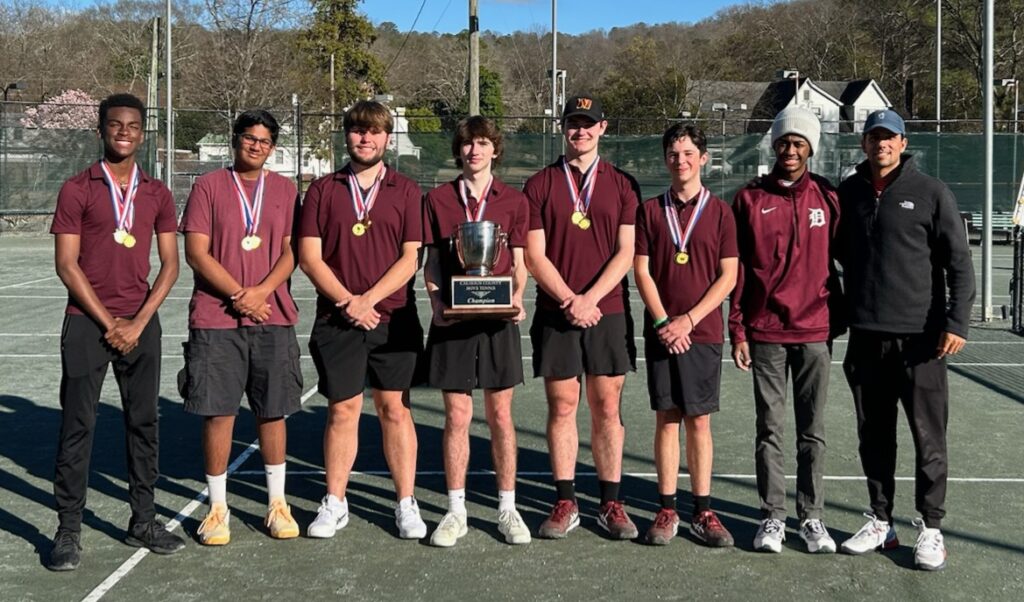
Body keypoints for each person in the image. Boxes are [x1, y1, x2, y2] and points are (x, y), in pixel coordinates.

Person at [48, 93, 184, 570]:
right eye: (115, 125)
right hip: (88, 324)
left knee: (143, 423)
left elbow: (171, 265)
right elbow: (66, 266)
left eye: (132, 125)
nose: (124, 132)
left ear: (142, 133)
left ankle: (142, 520)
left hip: (141, 325)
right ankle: (68, 530)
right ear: (101, 130)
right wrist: (112, 325)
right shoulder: (76, 188)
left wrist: (139, 322)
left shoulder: (158, 193)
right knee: (77, 427)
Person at [837, 109, 974, 571]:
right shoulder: (850, 192)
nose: (881, 144)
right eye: (874, 137)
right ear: (864, 143)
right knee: (873, 435)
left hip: (922, 341)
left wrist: (956, 323)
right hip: (866, 337)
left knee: (927, 437)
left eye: (889, 137)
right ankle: (881, 520)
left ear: (902, 141)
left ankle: (931, 527)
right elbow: (837, 256)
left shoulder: (932, 192)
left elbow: (959, 265)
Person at [298, 100, 427, 540]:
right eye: (357, 131)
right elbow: (309, 257)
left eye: (374, 132)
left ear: (387, 138)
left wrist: (368, 299)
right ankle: (335, 501)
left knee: (395, 409)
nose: (365, 139)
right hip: (338, 320)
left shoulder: (407, 190)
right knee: (343, 410)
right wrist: (349, 302)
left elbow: (411, 257)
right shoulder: (322, 190)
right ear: (347, 136)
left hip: (393, 318)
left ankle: (405, 501)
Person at [179, 109, 303, 545]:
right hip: (217, 318)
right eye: (249, 138)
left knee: (273, 410)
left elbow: (292, 251)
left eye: (265, 141)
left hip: (272, 313)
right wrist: (239, 295)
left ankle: (277, 504)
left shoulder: (286, 190)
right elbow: (197, 252)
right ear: (236, 140)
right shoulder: (208, 187)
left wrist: (262, 292)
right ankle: (217, 508)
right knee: (219, 412)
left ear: (273, 148)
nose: (256, 146)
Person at [524, 95, 640, 539]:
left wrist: (590, 298)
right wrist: (571, 299)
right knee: (563, 407)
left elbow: (626, 252)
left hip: (607, 311)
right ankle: (565, 500)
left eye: (588, 124)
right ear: (563, 128)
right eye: (573, 123)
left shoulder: (623, 184)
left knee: (607, 407)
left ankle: (611, 502)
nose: (581, 131)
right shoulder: (539, 184)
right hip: (557, 312)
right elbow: (535, 255)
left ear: (602, 128)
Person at [728, 106, 842, 554]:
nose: (790, 150)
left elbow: (847, 259)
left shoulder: (829, 198)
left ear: (810, 148)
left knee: (812, 430)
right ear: (774, 145)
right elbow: (736, 271)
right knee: (770, 429)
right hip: (766, 332)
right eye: (784, 142)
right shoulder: (749, 199)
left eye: (799, 143)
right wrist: (737, 329)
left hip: (815, 331)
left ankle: (811, 517)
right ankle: (772, 517)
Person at [422, 116, 531, 547]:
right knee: (457, 417)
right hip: (454, 318)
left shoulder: (514, 201)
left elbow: (520, 262)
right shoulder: (437, 199)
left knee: (502, 415)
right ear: (459, 151)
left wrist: (517, 297)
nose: (475, 151)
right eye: (468, 145)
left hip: (498, 320)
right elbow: (432, 262)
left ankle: (507, 507)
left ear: (495, 150)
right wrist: (435, 303)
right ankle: (455, 511)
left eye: (483, 143)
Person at [634, 124, 737, 547]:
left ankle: (703, 510)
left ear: (704, 157)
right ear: (666, 159)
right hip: (662, 332)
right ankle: (667, 508)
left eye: (689, 152)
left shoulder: (721, 212)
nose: (681, 160)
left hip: (703, 332)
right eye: (674, 153)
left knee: (698, 421)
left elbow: (728, 276)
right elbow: (641, 269)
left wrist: (689, 320)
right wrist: (663, 322)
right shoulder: (649, 210)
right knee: (667, 418)